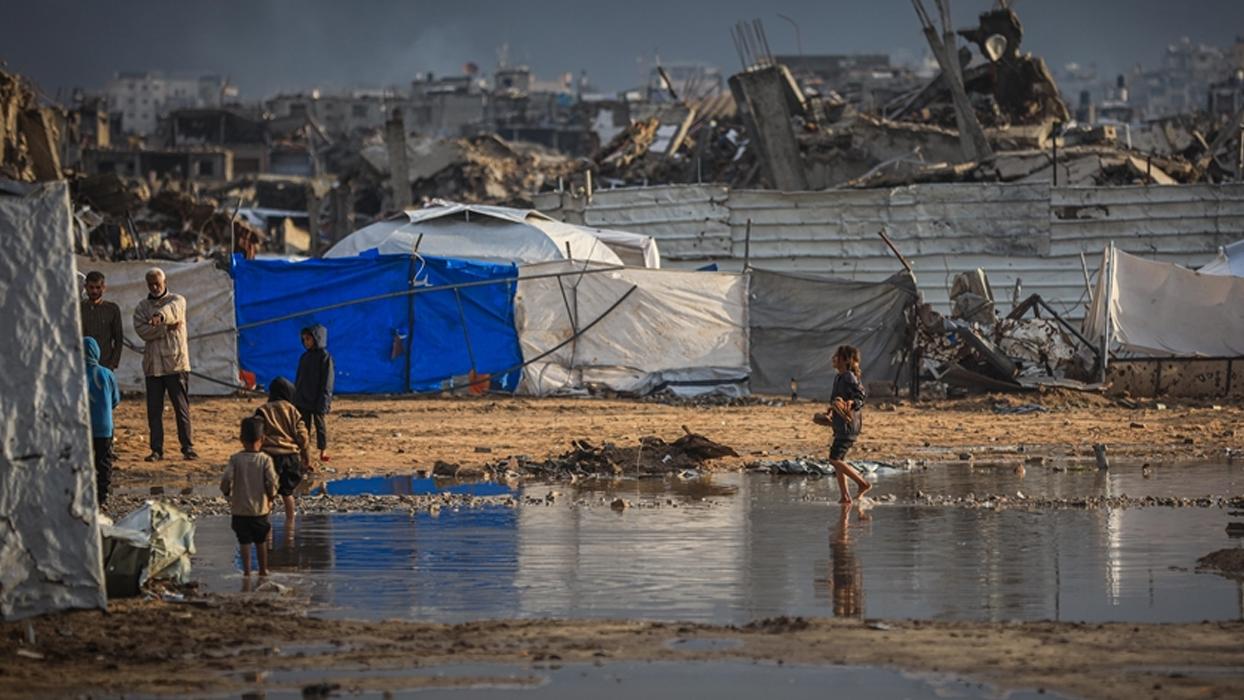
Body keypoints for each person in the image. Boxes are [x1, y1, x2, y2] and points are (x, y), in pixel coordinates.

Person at [133, 267, 197, 461]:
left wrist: (160, 319)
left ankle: (187, 447)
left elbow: (173, 311)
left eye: (157, 283)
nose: (154, 287)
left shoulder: (177, 300)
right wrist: (165, 329)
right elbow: (142, 330)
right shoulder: (142, 307)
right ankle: (156, 450)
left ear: (165, 283)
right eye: (151, 284)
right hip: (153, 366)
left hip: (175, 364)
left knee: (181, 408)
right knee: (154, 411)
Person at [220, 417, 279, 578]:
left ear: (241, 439)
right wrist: (271, 496)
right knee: (261, 541)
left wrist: (226, 493)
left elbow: (226, 479)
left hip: (240, 510)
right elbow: (272, 482)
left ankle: (246, 572)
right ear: (263, 439)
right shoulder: (265, 460)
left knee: (244, 541)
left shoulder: (235, 459)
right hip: (260, 509)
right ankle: (263, 570)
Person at [813, 344, 871, 504]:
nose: (833, 359)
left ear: (846, 360)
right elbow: (837, 399)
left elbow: (861, 396)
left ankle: (862, 483)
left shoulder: (848, 377)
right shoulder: (839, 377)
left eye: (837, 356)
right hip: (840, 426)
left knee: (834, 459)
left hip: (848, 426)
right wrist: (830, 411)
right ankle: (845, 497)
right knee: (839, 461)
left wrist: (851, 403)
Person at [254, 376, 311, 525]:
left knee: (268, 494)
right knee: (287, 493)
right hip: (290, 457)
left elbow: (257, 433)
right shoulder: (292, 410)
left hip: (269, 458)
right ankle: (290, 523)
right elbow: (303, 436)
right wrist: (306, 457)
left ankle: (267, 528)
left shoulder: (263, 410)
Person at [84, 338, 120, 508]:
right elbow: (115, 400)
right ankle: (102, 497)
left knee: (85, 462)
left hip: (83, 428)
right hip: (104, 427)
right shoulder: (106, 374)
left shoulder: (76, 375)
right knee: (104, 462)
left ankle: (85, 494)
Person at [294, 324, 334, 462]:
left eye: (308, 339)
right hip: (303, 399)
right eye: (304, 340)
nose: (306, 342)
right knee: (304, 427)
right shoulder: (304, 357)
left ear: (317, 338)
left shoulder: (324, 357)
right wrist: (296, 397)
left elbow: (327, 381)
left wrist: (324, 400)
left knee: (320, 426)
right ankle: (305, 452)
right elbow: (299, 378)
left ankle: (323, 450)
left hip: (318, 399)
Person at [81, 271, 124, 371]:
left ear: (104, 288)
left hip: (105, 364)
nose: (94, 291)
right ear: (85, 287)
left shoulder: (112, 309)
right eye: (91, 287)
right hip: (84, 364)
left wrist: (113, 364)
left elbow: (118, 339)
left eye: (98, 287)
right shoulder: (79, 308)